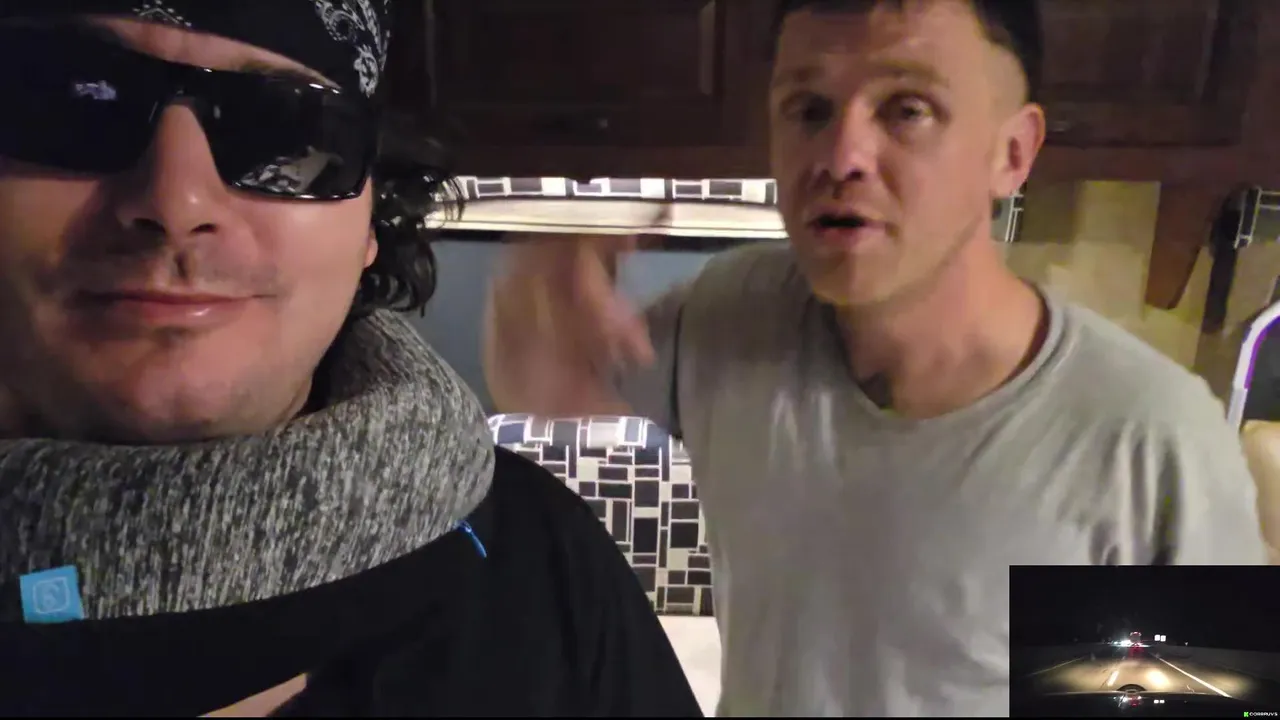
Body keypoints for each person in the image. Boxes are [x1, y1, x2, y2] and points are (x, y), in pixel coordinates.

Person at [484, 0, 1272, 715]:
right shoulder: (738, 316)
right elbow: (548, 388)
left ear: (1012, 152)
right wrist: (528, 320)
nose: (842, 154)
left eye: (908, 109)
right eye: (809, 109)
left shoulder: (1141, 445)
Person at [0, 2, 701, 716]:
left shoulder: (541, 566)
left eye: (285, 130)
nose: (177, 202)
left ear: (370, 220)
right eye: (77, 101)